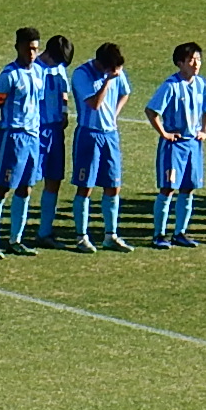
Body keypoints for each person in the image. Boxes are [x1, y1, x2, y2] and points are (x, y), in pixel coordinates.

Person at [0, 26, 44, 258]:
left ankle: (16, 240)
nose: (32, 53)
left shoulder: (38, 74)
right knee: (3, 187)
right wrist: (1, 135)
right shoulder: (8, 75)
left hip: (32, 138)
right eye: (28, 48)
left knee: (26, 188)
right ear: (17, 47)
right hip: (13, 136)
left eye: (35, 49)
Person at [148, 42, 206, 249]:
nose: (196, 64)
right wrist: (164, 133)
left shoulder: (202, 84)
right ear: (180, 63)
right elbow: (151, 111)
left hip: (193, 145)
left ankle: (180, 232)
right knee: (168, 189)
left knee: (188, 189)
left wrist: (204, 131)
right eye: (191, 60)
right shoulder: (171, 85)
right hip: (174, 146)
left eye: (199, 59)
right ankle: (159, 234)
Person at [68, 42, 130, 252]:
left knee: (113, 185)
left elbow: (125, 92)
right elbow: (94, 104)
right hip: (89, 134)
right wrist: (107, 81)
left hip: (110, 135)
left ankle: (110, 235)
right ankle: (81, 236)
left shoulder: (116, 71)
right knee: (86, 186)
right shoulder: (81, 74)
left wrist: (115, 113)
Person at [32, 34, 73, 246]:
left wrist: (65, 113)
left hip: (55, 131)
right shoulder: (34, 68)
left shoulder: (59, 68)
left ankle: (44, 232)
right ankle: (16, 232)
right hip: (36, 131)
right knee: (27, 181)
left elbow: (63, 91)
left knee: (54, 179)